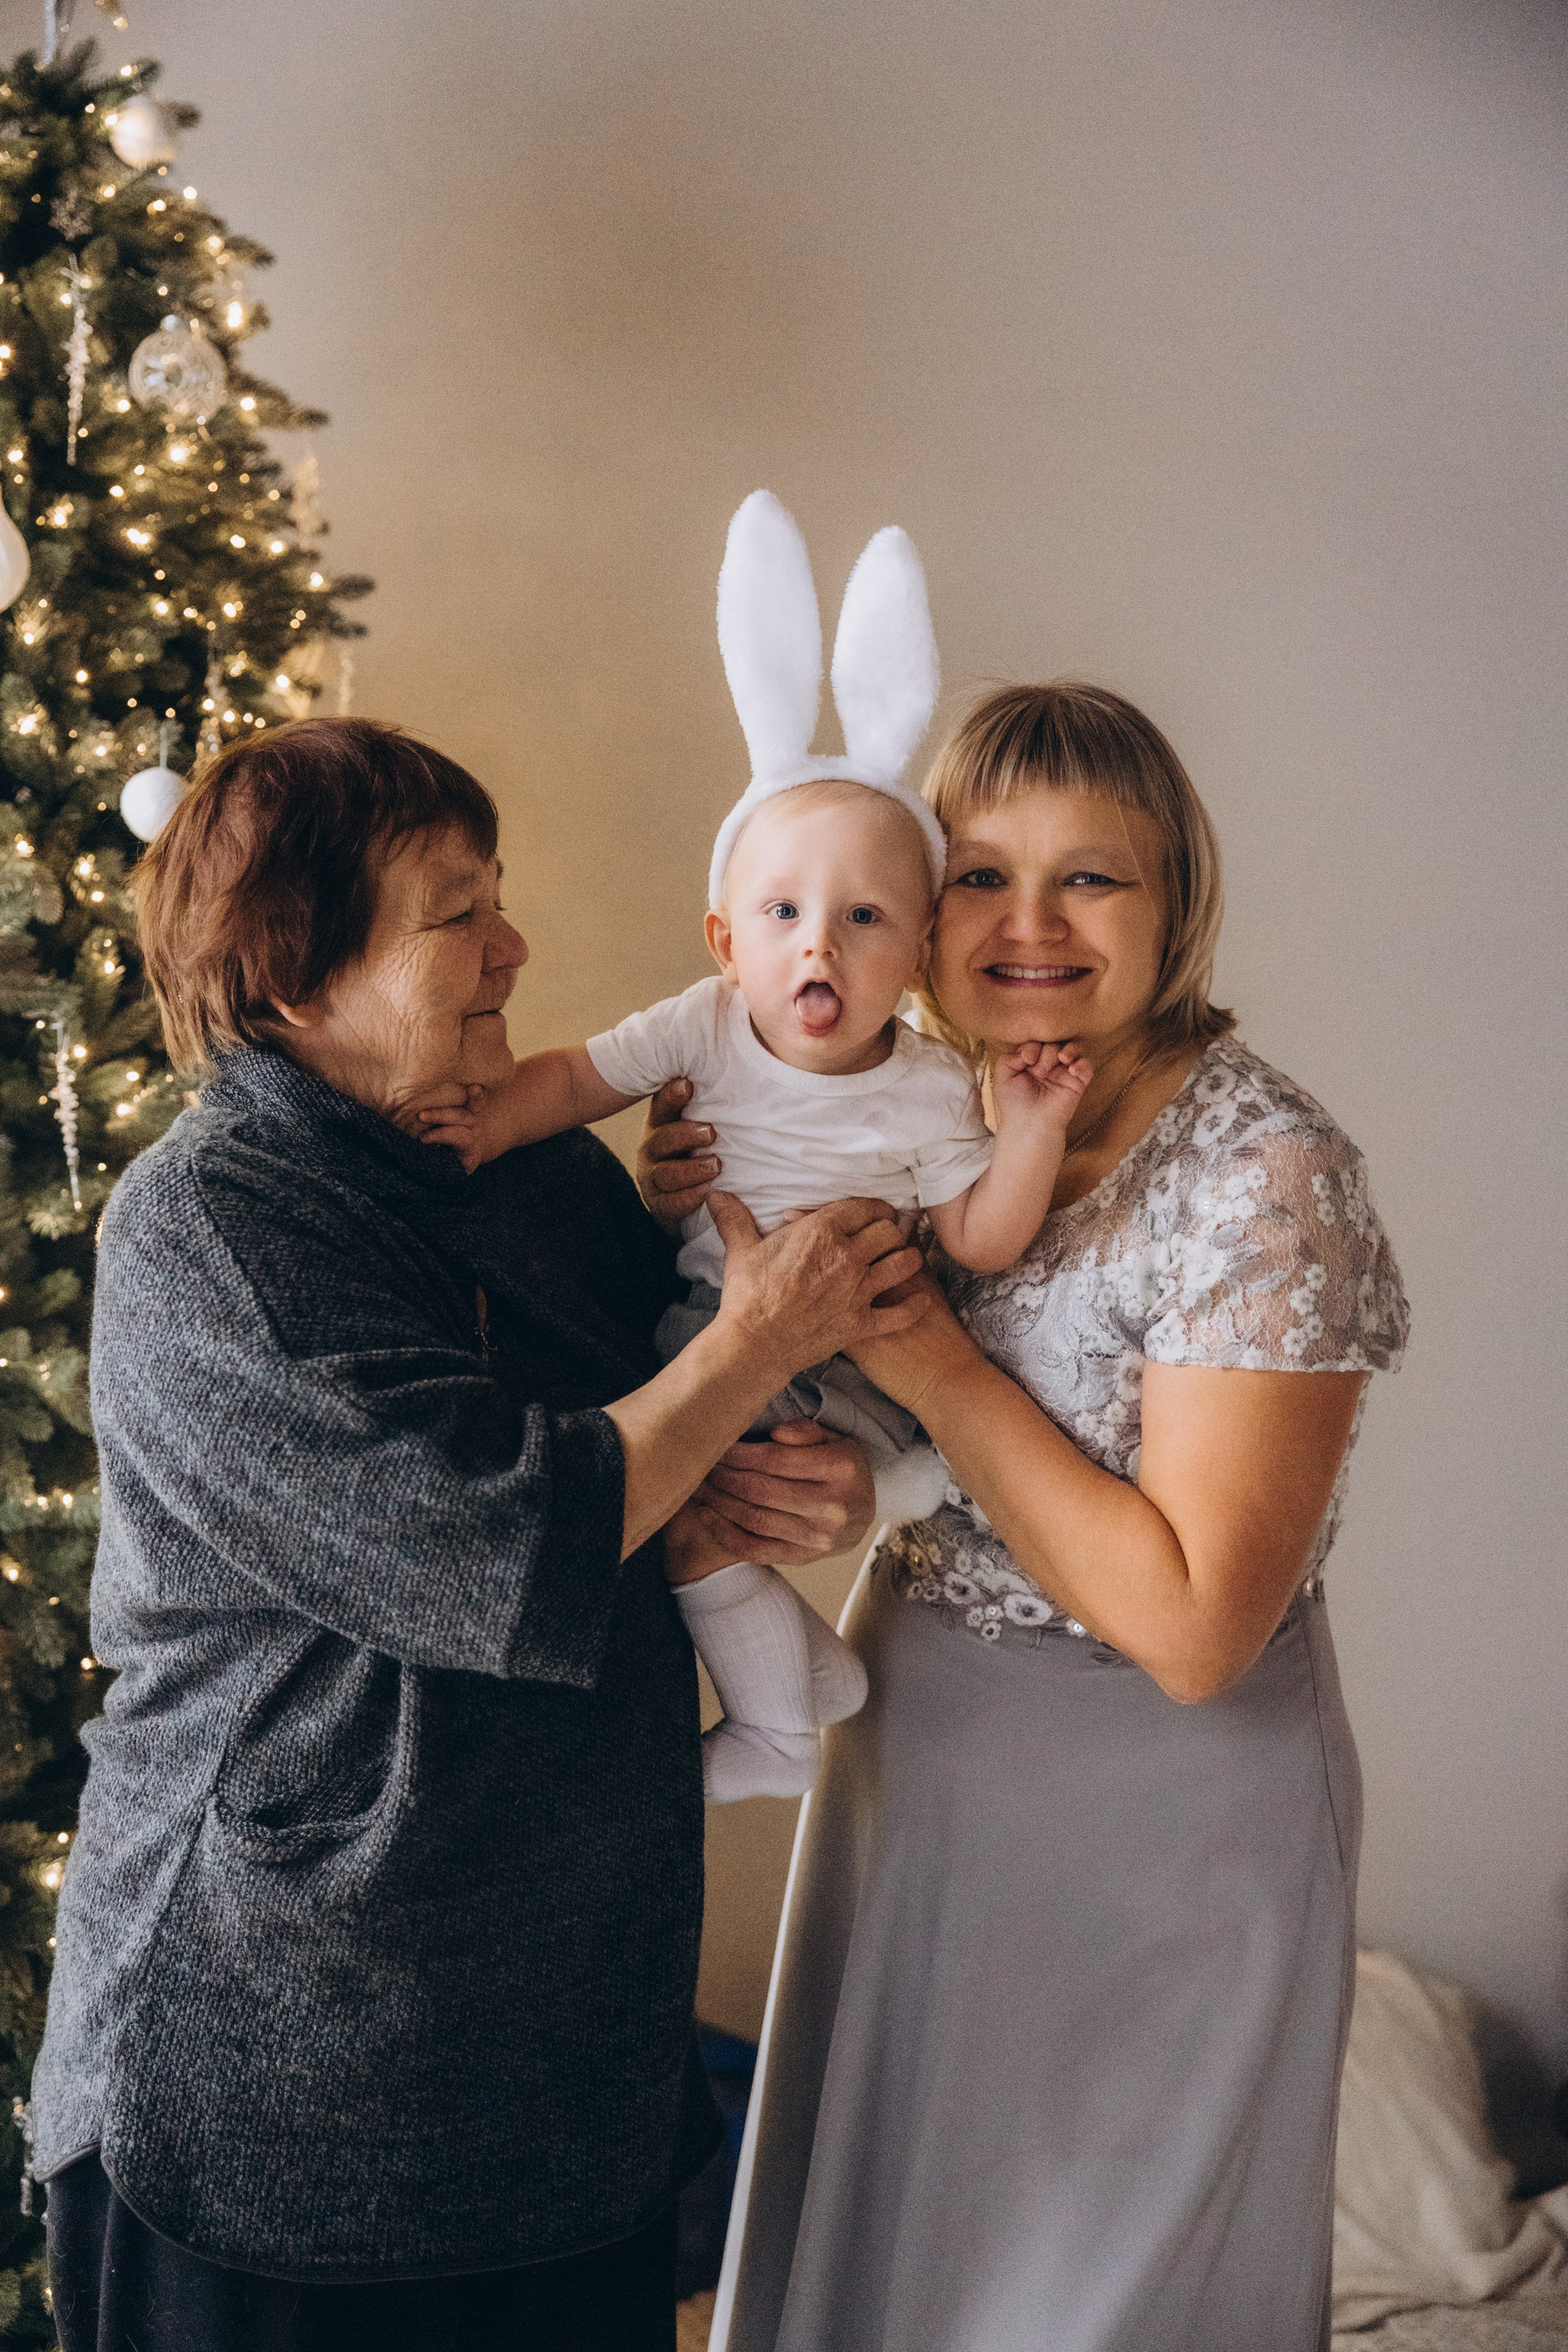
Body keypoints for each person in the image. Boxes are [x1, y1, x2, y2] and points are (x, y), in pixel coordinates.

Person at [24, 717, 921, 2352]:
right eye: (458, 912)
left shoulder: (540, 1172)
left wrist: (810, 1479)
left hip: (564, 2066)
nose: (514, 945)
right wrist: (756, 1347)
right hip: (282, 2087)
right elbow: (493, 1545)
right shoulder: (213, 1226)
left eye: (497, 898)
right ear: (296, 975)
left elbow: (675, 1441)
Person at [641, 681, 1411, 2352]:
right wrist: (835, 1486)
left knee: (1092, 2301)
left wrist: (921, 1353)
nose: (1030, 927)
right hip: (918, 1763)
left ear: (1176, 904)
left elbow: (1197, 1628)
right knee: (899, 2273)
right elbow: (918, 1456)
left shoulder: (1267, 1177)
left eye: (1092, 879)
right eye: (983, 877)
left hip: (1164, 1830)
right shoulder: (935, 1106)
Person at [416, 492, 1089, 1805]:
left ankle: (782, 1731)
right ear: (726, 941)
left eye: (863, 917)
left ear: (918, 955)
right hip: (710, 1337)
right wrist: (491, 1123)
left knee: (688, 1518)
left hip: (848, 1378)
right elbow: (579, 1077)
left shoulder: (931, 1089)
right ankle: (800, 1696)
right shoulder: (705, 1025)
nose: (817, 942)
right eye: (781, 911)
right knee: (670, 1514)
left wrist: (1035, 1132)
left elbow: (982, 1239)